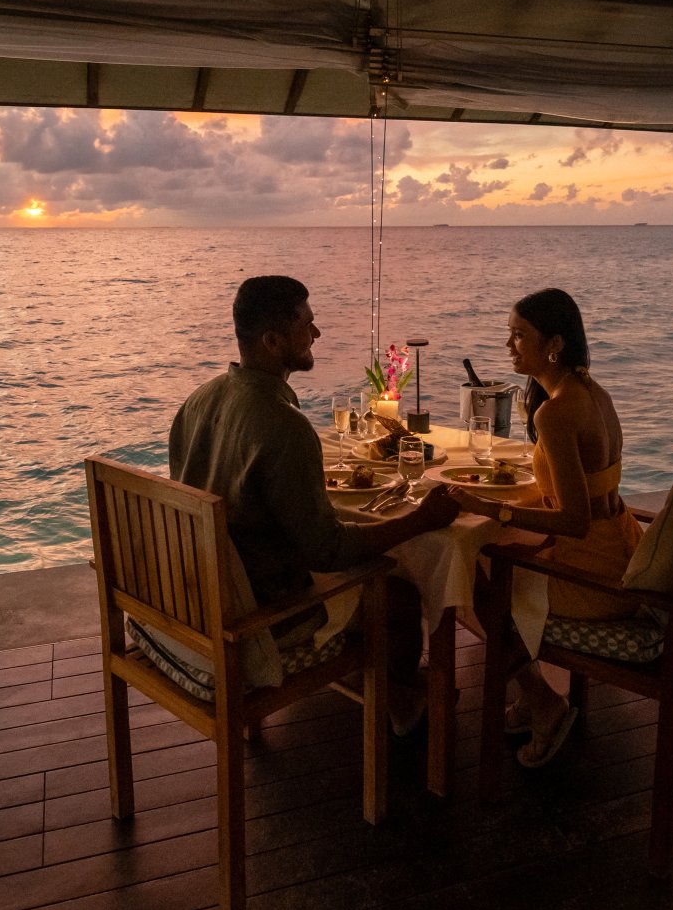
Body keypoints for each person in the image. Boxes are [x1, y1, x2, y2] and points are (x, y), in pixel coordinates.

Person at [159, 275, 459, 729]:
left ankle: (391, 687)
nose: (316, 333)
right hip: (260, 616)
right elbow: (328, 552)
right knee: (399, 597)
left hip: (197, 597)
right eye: (307, 324)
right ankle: (400, 705)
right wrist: (422, 519)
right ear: (273, 340)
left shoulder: (198, 401)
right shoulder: (284, 425)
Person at [445, 287, 641, 767]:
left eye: (519, 336)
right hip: (624, 549)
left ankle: (543, 702)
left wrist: (494, 510)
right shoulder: (592, 392)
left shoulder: (554, 413)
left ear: (554, 344)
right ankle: (531, 695)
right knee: (494, 555)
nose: (508, 345)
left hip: (595, 578)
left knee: (471, 579)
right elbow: (586, 494)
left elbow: (573, 521)